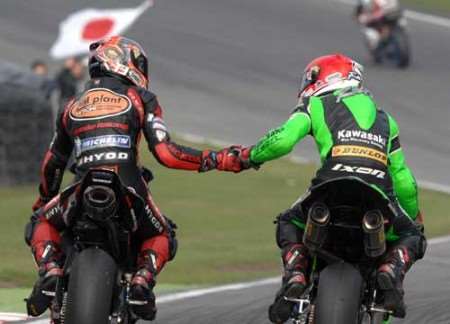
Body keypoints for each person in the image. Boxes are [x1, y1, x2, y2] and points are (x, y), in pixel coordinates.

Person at [25, 36, 243, 320]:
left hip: (80, 188)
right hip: (128, 186)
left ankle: (50, 269)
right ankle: (142, 280)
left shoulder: (71, 105)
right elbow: (167, 153)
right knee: (163, 233)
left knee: (41, 220)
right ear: (126, 63)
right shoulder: (140, 98)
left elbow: (53, 162)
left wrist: (44, 199)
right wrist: (217, 159)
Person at [234, 54, 426, 322]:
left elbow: (282, 141)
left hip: (330, 189)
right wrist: (413, 217)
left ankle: (296, 274)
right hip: (377, 194)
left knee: (289, 222)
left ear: (327, 78)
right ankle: (391, 271)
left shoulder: (315, 105)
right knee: (412, 237)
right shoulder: (386, 120)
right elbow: (403, 179)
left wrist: (249, 156)